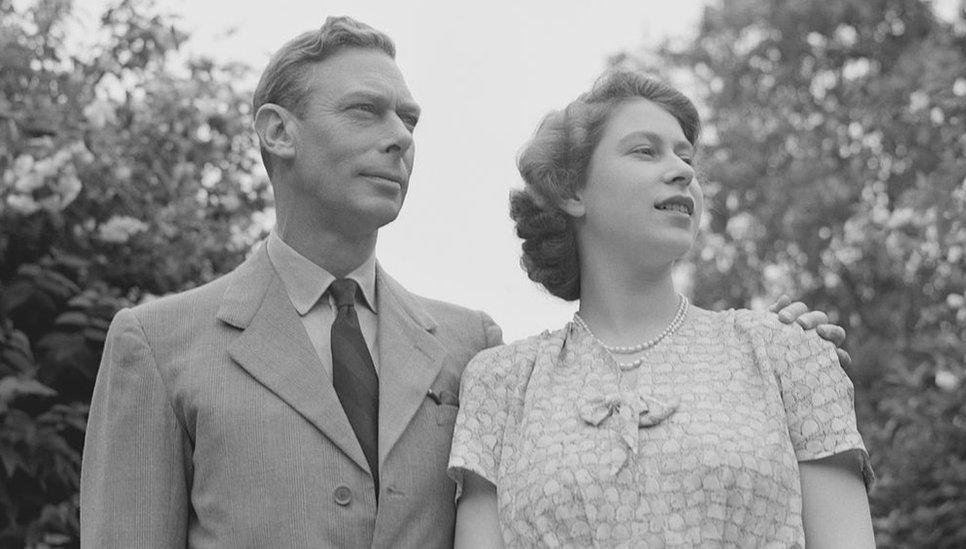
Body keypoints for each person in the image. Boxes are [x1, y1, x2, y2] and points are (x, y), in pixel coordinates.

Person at [80, 16, 849, 548]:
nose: (399, 138)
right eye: (366, 112)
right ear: (278, 132)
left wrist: (769, 352)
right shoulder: (159, 344)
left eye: (409, 120)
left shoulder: (469, 348)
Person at [449, 71, 875, 547]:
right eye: (645, 151)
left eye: (686, 156)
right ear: (572, 191)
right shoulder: (501, 384)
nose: (683, 170)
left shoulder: (787, 353)